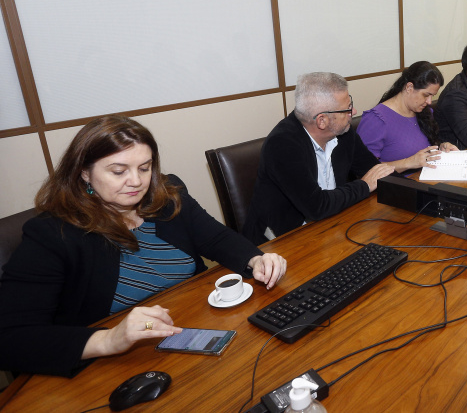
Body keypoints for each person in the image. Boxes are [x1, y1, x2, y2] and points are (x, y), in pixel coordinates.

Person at [0, 116, 287, 377]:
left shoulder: (167, 197)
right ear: (84, 173)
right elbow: (10, 338)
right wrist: (109, 338)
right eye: (118, 171)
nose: (136, 182)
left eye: (144, 168)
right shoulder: (53, 234)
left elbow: (217, 239)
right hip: (115, 366)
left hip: (190, 331)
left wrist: (255, 259)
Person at [244, 72, 435, 244]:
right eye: (347, 109)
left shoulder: (343, 134)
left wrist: (428, 202)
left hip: (331, 225)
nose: (353, 112)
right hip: (280, 241)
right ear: (322, 121)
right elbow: (317, 207)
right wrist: (364, 185)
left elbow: (375, 171)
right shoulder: (283, 145)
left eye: (350, 103)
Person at [357, 61, 459, 162]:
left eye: (432, 96)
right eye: (426, 95)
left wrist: (441, 147)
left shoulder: (424, 112)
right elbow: (364, 169)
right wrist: (408, 163)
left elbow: (425, 150)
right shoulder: (376, 120)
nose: (429, 101)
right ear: (409, 87)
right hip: (396, 178)